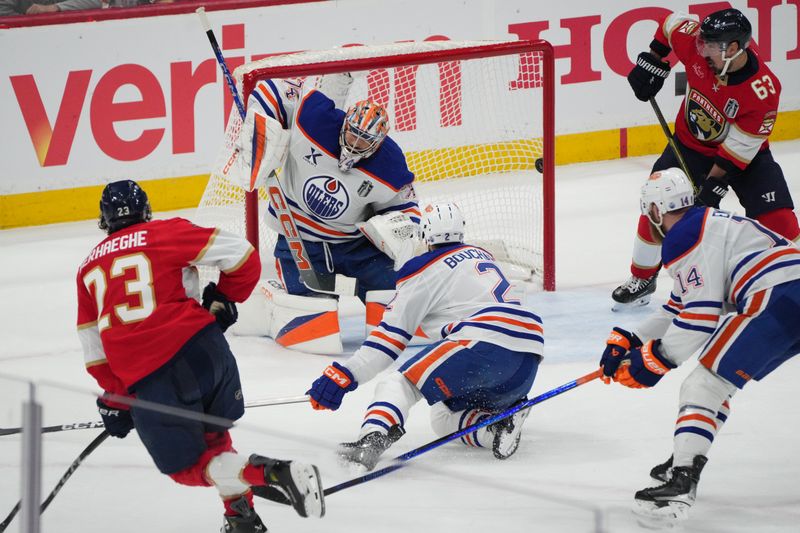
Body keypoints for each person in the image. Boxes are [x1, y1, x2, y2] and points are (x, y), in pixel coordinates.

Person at [76, 180, 325, 532]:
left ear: (104, 221)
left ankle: (272, 472)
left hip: (156, 374)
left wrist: (121, 397)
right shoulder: (166, 232)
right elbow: (242, 255)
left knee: (186, 469)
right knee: (216, 442)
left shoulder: (87, 269)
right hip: (208, 351)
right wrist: (224, 297)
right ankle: (242, 518)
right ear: (146, 211)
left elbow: (95, 354)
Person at [599, 168, 800, 521]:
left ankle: (682, 481)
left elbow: (702, 314)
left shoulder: (684, 235)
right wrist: (631, 339)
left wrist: (656, 359)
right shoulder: (705, 223)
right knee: (718, 385)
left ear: (657, 210)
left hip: (776, 295)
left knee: (703, 383)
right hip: (790, 292)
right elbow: (679, 303)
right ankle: (686, 457)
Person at [305, 203, 543, 470]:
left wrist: (344, 375)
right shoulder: (481, 255)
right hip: (527, 360)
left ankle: (371, 440)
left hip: (483, 344)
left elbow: (386, 343)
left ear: (425, 235)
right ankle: (497, 429)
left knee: (399, 384)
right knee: (442, 417)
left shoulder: (422, 270)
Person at [612, 8, 800, 309]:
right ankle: (642, 278)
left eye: (710, 46)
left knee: (779, 221)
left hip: (745, 158)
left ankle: (793, 279)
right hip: (687, 147)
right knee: (656, 208)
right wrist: (654, 60)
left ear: (734, 49)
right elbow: (670, 23)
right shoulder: (699, 48)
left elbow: (740, 148)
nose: (702, 50)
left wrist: (712, 185)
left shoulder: (763, 88)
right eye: (702, 43)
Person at [230, 73, 420, 352]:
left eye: (365, 139)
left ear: (379, 142)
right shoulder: (314, 120)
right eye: (353, 132)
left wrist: (394, 232)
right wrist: (259, 124)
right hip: (299, 242)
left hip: (356, 247)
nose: (355, 143)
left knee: (394, 291)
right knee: (313, 312)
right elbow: (274, 87)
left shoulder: (390, 165)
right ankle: (275, 299)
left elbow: (407, 211)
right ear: (344, 123)